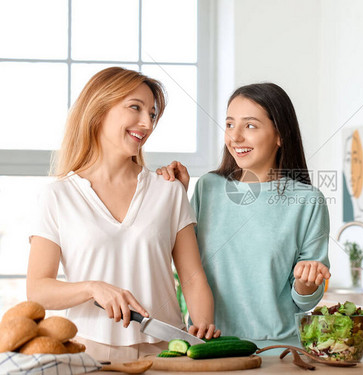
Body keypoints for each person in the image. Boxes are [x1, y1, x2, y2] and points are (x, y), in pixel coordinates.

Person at [27, 67, 219, 361]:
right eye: (135, 108)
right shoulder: (57, 196)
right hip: (87, 352)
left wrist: (203, 327)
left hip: (166, 350)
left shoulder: (168, 191)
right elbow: (38, 290)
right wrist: (93, 288)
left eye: (152, 114)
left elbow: (192, 277)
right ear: (99, 109)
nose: (147, 123)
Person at [158, 83, 331, 349]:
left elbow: (305, 300)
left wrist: (305, 282)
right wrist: (175, 197)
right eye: (229, 124)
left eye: (249, 126)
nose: (235, 137)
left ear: (280, 135)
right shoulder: (208, 188)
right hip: (212, 344)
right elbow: (185, 262)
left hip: (280, 350)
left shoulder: (307, 201)